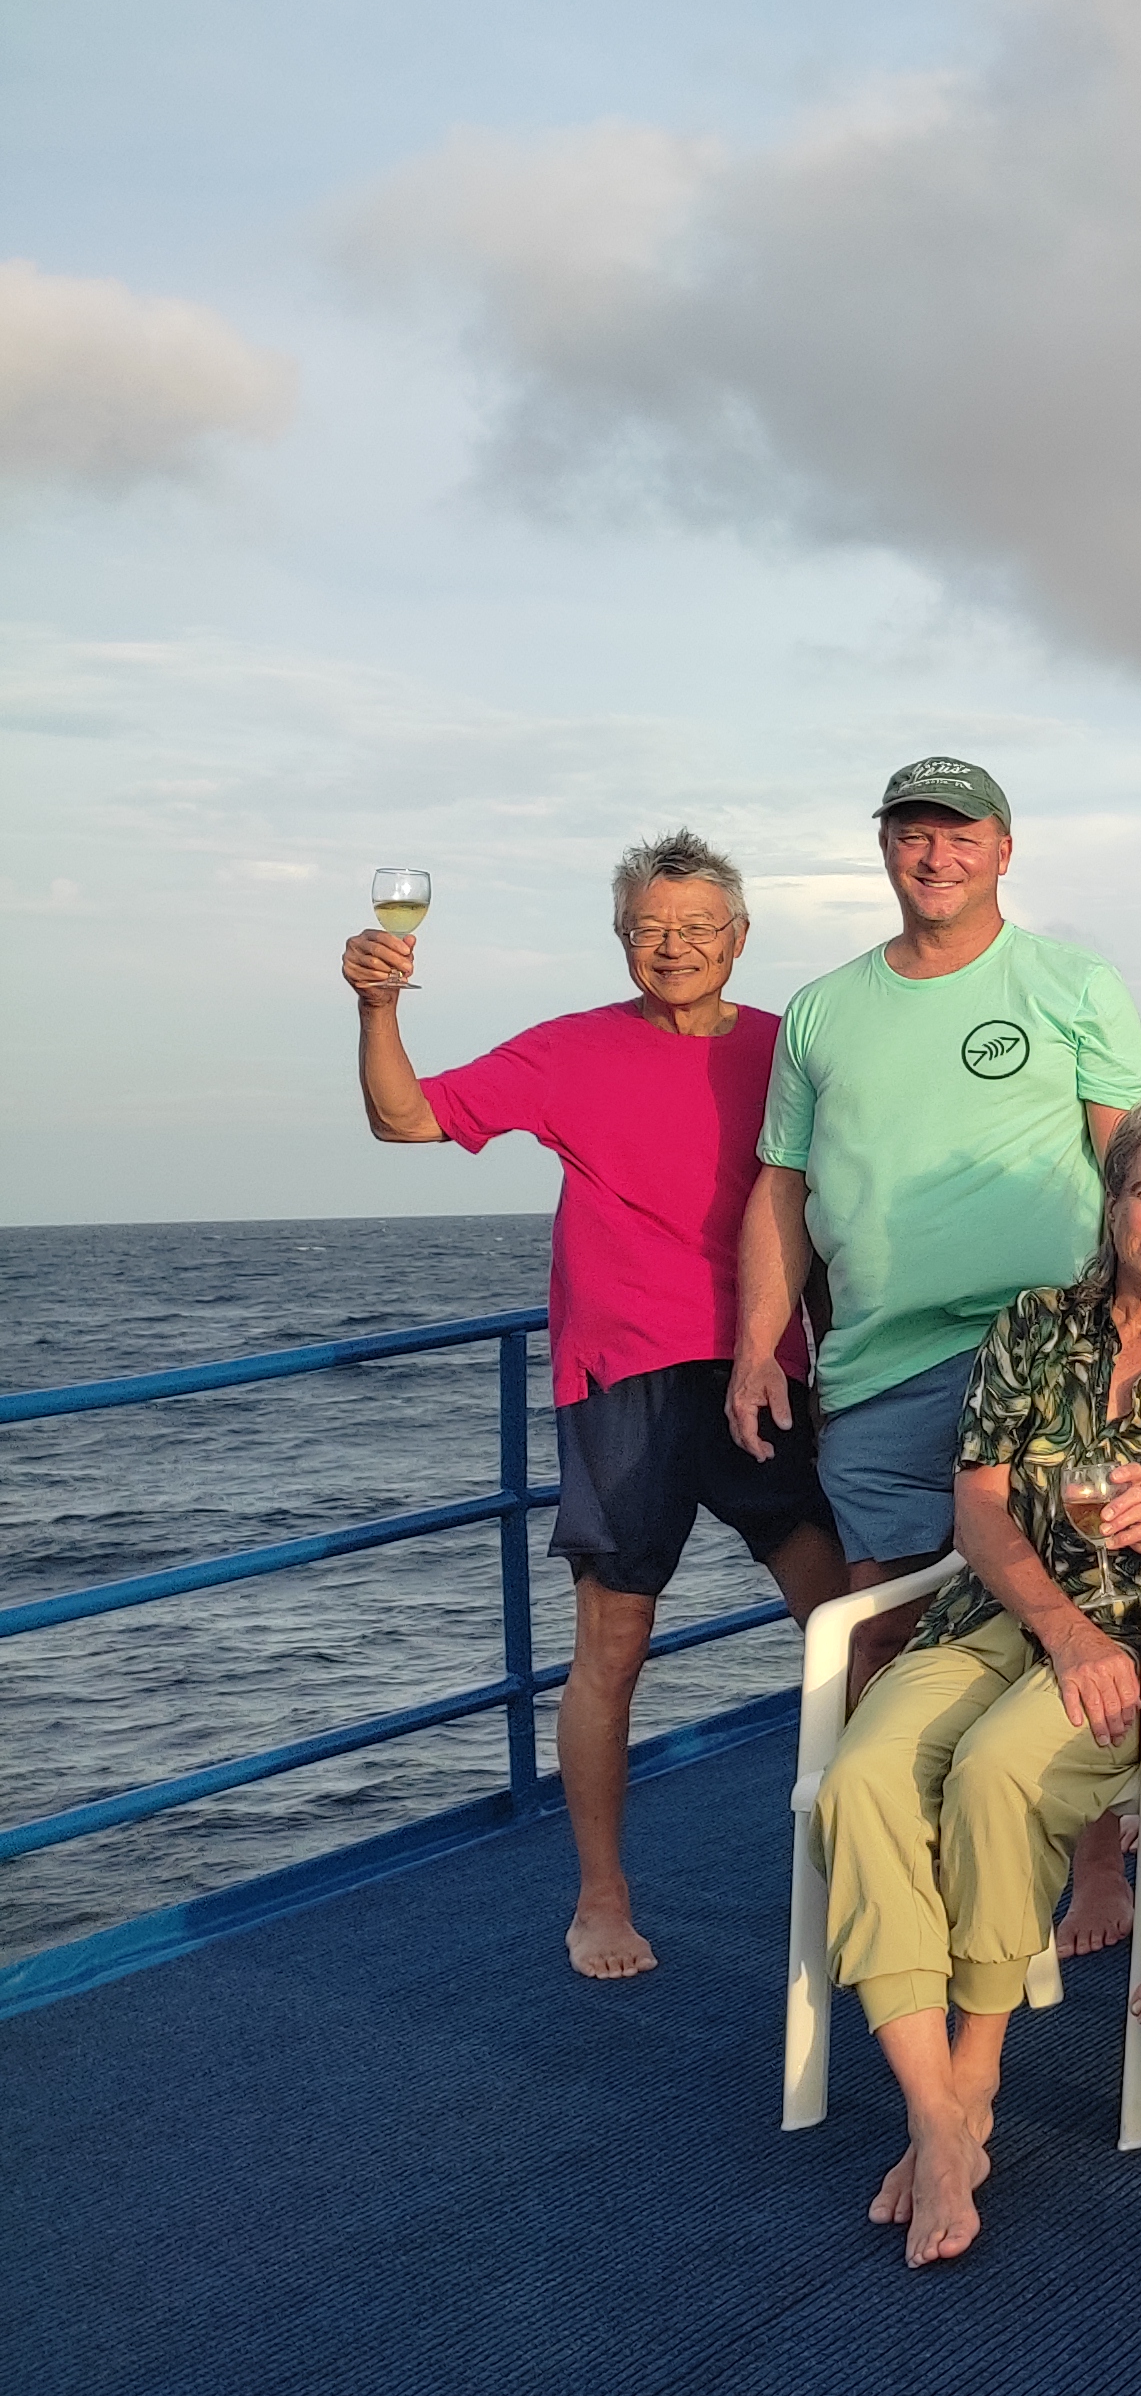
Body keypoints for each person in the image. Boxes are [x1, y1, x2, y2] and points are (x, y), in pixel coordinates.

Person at [814, 1090, 1141, 2267]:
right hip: (1013, 1609)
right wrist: (1060, 1630)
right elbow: (981, 1505)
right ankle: (936, 2111)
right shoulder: (1036, 1322)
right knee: (862, 1782)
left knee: (999, 1775)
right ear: (1114, 1204)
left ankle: (977, 2078)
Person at [341, 829, 845, 1979]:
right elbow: (404, 1118)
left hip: (766, 1367)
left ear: (740, 938)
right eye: (650, 928)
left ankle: (881, 1857)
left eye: (697, 926)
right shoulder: (569, 1051)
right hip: (623, 1382)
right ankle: (601, 1898)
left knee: (844, 1621)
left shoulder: (792, 1047)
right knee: (613, 1642)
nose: (674, 946)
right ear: (622, 938)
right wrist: (378, 1009)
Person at [731, 757, 1141, 1691]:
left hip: (1047, 1351)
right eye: (915, 833)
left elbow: (1138, 1177)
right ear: (884, 847)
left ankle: (1070, 1834)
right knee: (884, 1637)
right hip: (880, 1368)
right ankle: (879, 1836)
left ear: (1003, 852)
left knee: (1062, 1626)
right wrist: (758, 1347)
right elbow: (781, 1188)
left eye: (961, 835)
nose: (937, 856)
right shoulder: (819, 1012)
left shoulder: (1072, 983)